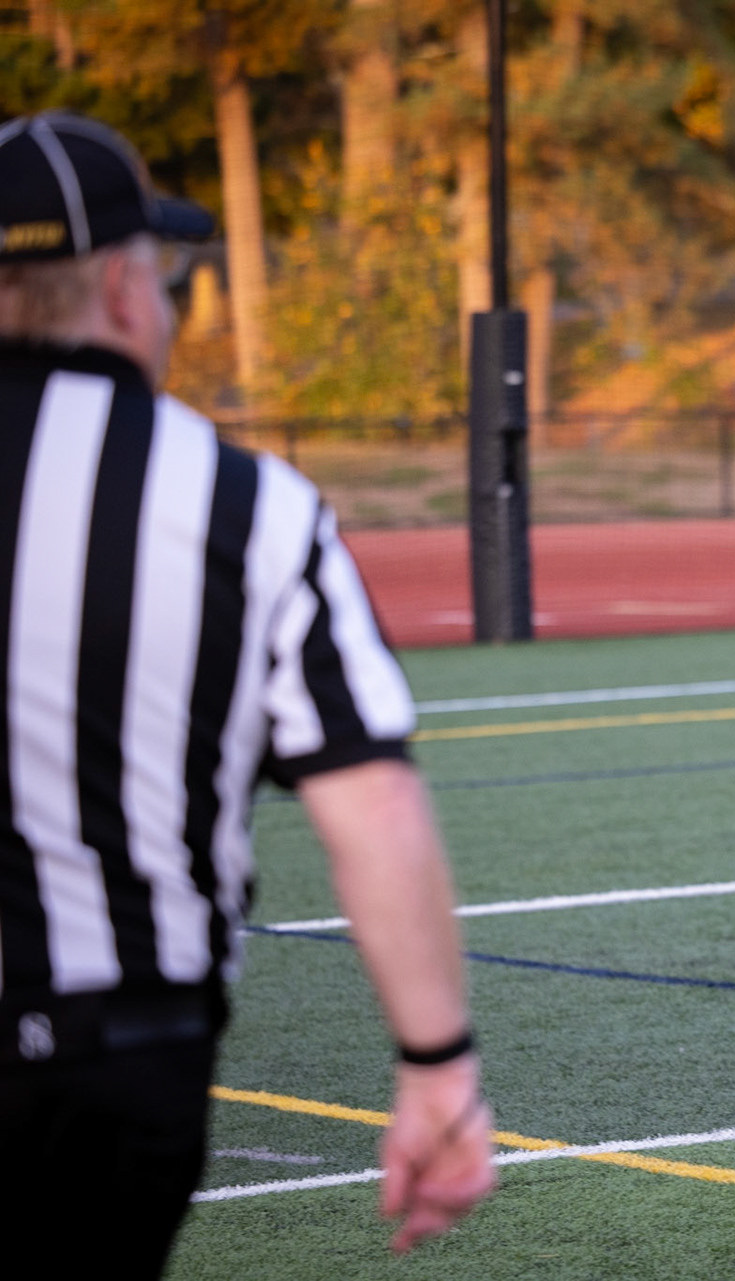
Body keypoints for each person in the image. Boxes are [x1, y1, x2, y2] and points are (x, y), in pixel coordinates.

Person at [0, 111, 494, 1275]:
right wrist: (438, 1065)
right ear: (126, 290)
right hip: (115, 1049)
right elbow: (368, 801)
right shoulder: (243, 502)